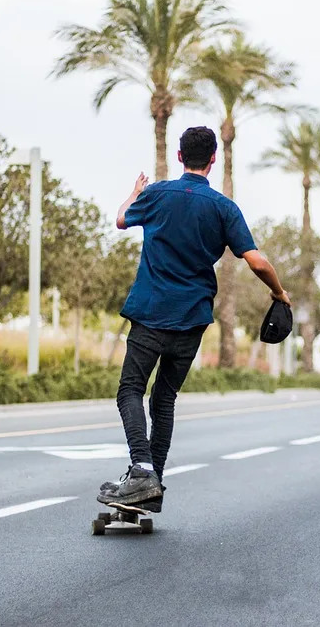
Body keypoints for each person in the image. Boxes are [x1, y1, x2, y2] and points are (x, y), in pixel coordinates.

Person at [98, 126, 290, 513]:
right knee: (164, 398)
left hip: (151, 314)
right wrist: (279, 293)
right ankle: (153, 484)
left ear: (180, 156)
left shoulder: (156, 195)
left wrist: (134, 193)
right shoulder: (223, 208)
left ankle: (141, 470)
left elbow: (120, 220)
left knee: (130, 390)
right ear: (214, 159)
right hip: (191, 320)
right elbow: (255, 260)